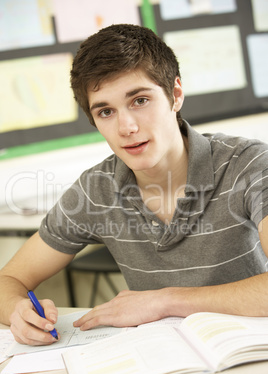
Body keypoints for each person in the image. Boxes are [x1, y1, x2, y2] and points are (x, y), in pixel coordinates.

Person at [0, 24, 268, 346]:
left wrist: (163, 301)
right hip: (161, 363)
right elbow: (9, 279)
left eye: (140, 100)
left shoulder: (249, 164)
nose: (126, 127)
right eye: (106, 111)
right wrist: (16, 309)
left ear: (175, 95)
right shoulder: (95, 190)